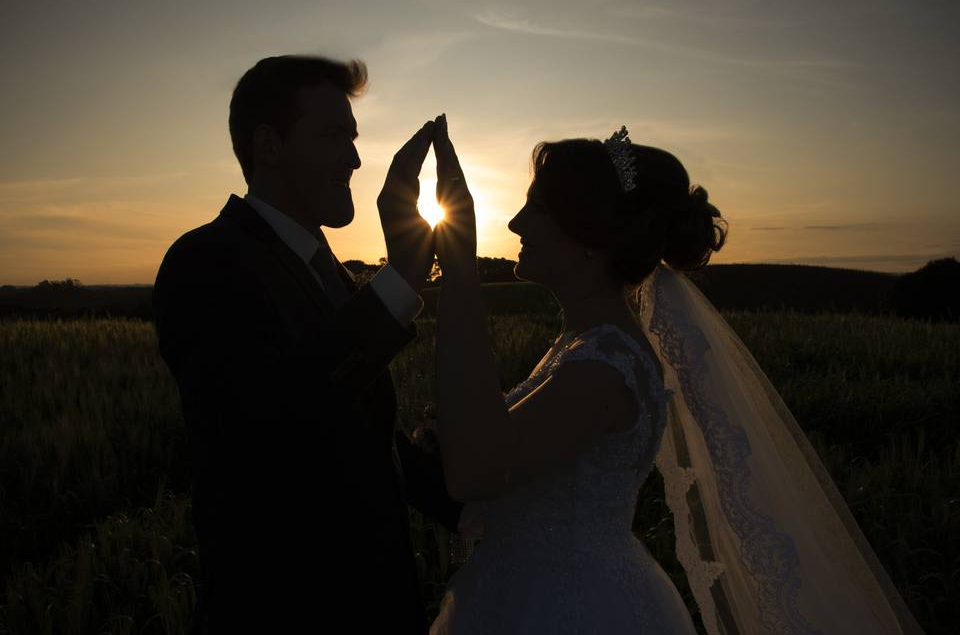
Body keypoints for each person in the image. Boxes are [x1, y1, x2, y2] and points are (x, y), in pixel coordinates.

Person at [428, 122, 924, 634]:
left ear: (588, 240)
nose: (514, 223)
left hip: (570, 610)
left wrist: (461, 272)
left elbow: (476, 472)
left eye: (537, 209)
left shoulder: (604, 366)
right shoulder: (583, 347)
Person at [152, 55, 462, 634]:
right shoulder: (205, 263)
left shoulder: (328, 271)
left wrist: (482, 501)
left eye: (353, 138)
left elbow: (363, 437)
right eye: (332, 136)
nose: (353, 157)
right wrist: (399, 278)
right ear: (269, 145)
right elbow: (282, 418)